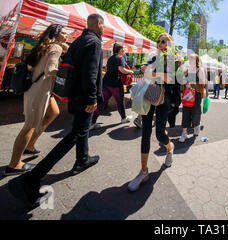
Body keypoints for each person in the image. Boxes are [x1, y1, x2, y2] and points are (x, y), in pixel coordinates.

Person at [8, 14, 104, 205]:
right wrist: (92, 98)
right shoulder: (94, 42)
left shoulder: (78, 42)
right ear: (99, 24)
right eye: (103, 26)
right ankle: (31, 179)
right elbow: (91, 72)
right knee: (75, 134)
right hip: (84, 97)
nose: (103, 29)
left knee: (80, 129)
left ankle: (82, 159)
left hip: (73, 96)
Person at [4, 25, 68, 176]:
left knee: (54, 111)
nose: (67, 35)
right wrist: (67, 72)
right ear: (57, 34)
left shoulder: (46, 45)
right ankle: (14, 165)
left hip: (37, 87)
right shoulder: (55, 48)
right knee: (29, 125)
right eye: (64, 33)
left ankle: (30, 145)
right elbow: (50, 70)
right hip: (40, 89)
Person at [127, 33, 176, 192]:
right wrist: (144, 68)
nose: (160, 43)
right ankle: (143, 171)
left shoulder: (173, 58)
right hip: (149, 94)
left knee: (160, 134)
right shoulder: (153, 56)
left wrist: (150, 72)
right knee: (146, 132)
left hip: (164, 98)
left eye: (164, 41)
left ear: (169, 44)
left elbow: (169, 79)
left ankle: (170, 148)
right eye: (158, 41)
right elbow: (145, 70)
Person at [90, 43, 134, 129]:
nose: (124, 51)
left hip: (106, 83)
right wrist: (130, 71)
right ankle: (124, 118)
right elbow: (121, 69)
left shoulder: (110, 58)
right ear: (120, 50)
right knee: (120, 102)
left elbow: (107, 69)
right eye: (123, 49)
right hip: (116, 84)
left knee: (101, 103)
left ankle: (92, 122)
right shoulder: (120, 58)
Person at [179, 54, 207, 143]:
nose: (190, 60)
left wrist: (192, 84)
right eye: (189, 59)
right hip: (187, 95)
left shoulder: (200, 70)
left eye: (192, 59)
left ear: (196, 60)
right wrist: (183, 82)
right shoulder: (186, 70)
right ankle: (184, 132)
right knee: (185, 113)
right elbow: (182, 83)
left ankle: (196, 126)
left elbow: (202, 84)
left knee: (195, 113)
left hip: (196, 95)